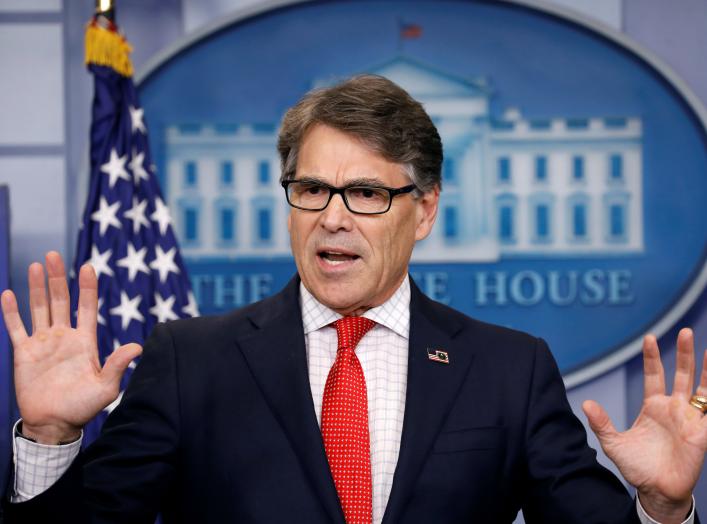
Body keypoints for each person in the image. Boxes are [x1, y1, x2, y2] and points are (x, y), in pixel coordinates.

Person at [1, 75, 705, 524]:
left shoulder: (506, 370)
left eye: (366, 193)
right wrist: (51, 440)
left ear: (423, 211)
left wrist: (663, 508)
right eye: (310, 189)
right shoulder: (191, 361)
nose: (331, 217)